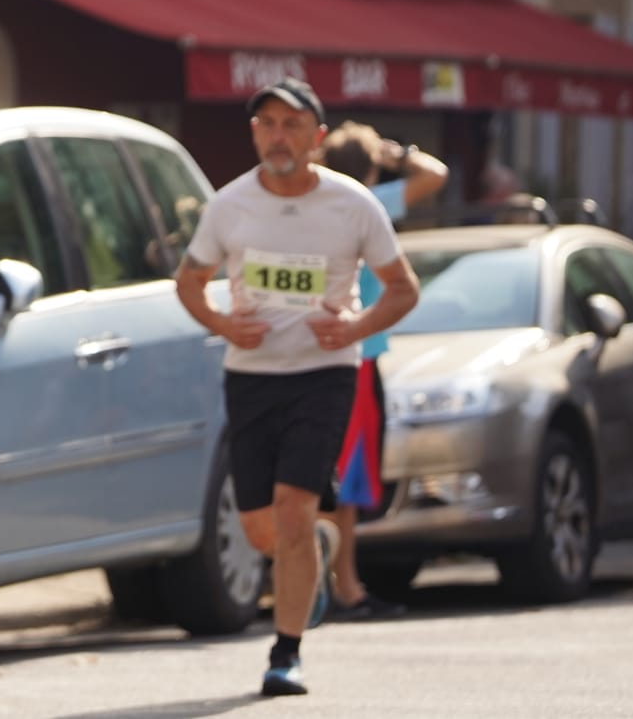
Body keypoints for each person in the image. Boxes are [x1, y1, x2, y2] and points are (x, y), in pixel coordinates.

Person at [173, 79, 420, 697]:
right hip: (251, 378)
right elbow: (189, 282)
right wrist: (223, 322)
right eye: (266, 125)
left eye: (291, 125)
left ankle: (286, 653)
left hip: (325, 376)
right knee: (262, 529)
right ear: (255, 133)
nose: (277, 136)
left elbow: (403, 288)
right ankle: (311, 546)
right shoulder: (229, 205)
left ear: (317, 137)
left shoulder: (354, 204)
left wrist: (356, 328)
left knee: (292, 506)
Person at [316, 123, 449, 620]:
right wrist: (398, 153)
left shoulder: (322, 205)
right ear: (370, 169)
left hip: (322, 351)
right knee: (344, 481)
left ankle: (329, 581)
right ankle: (344, 586)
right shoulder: (370, 202)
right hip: (358, 354)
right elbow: (435, 174)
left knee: (325, 476)